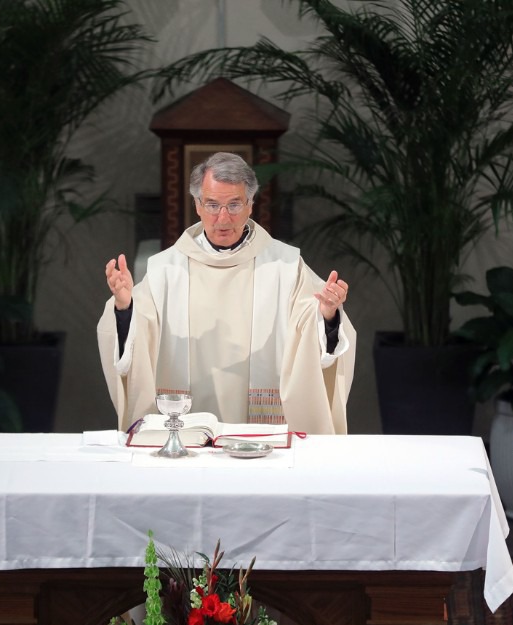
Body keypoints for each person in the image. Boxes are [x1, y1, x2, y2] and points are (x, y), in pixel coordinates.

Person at [98, 152, 354, 433]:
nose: (223, 217)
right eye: (212, 204)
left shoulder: (285, 265)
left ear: (250, 206)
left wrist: (328, 315)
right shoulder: (166, 270)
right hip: (186, 434)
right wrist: (125, 308)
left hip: (263, 431)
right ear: (197, 205)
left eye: (234, 205)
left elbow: (312, 324)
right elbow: (138, 333)